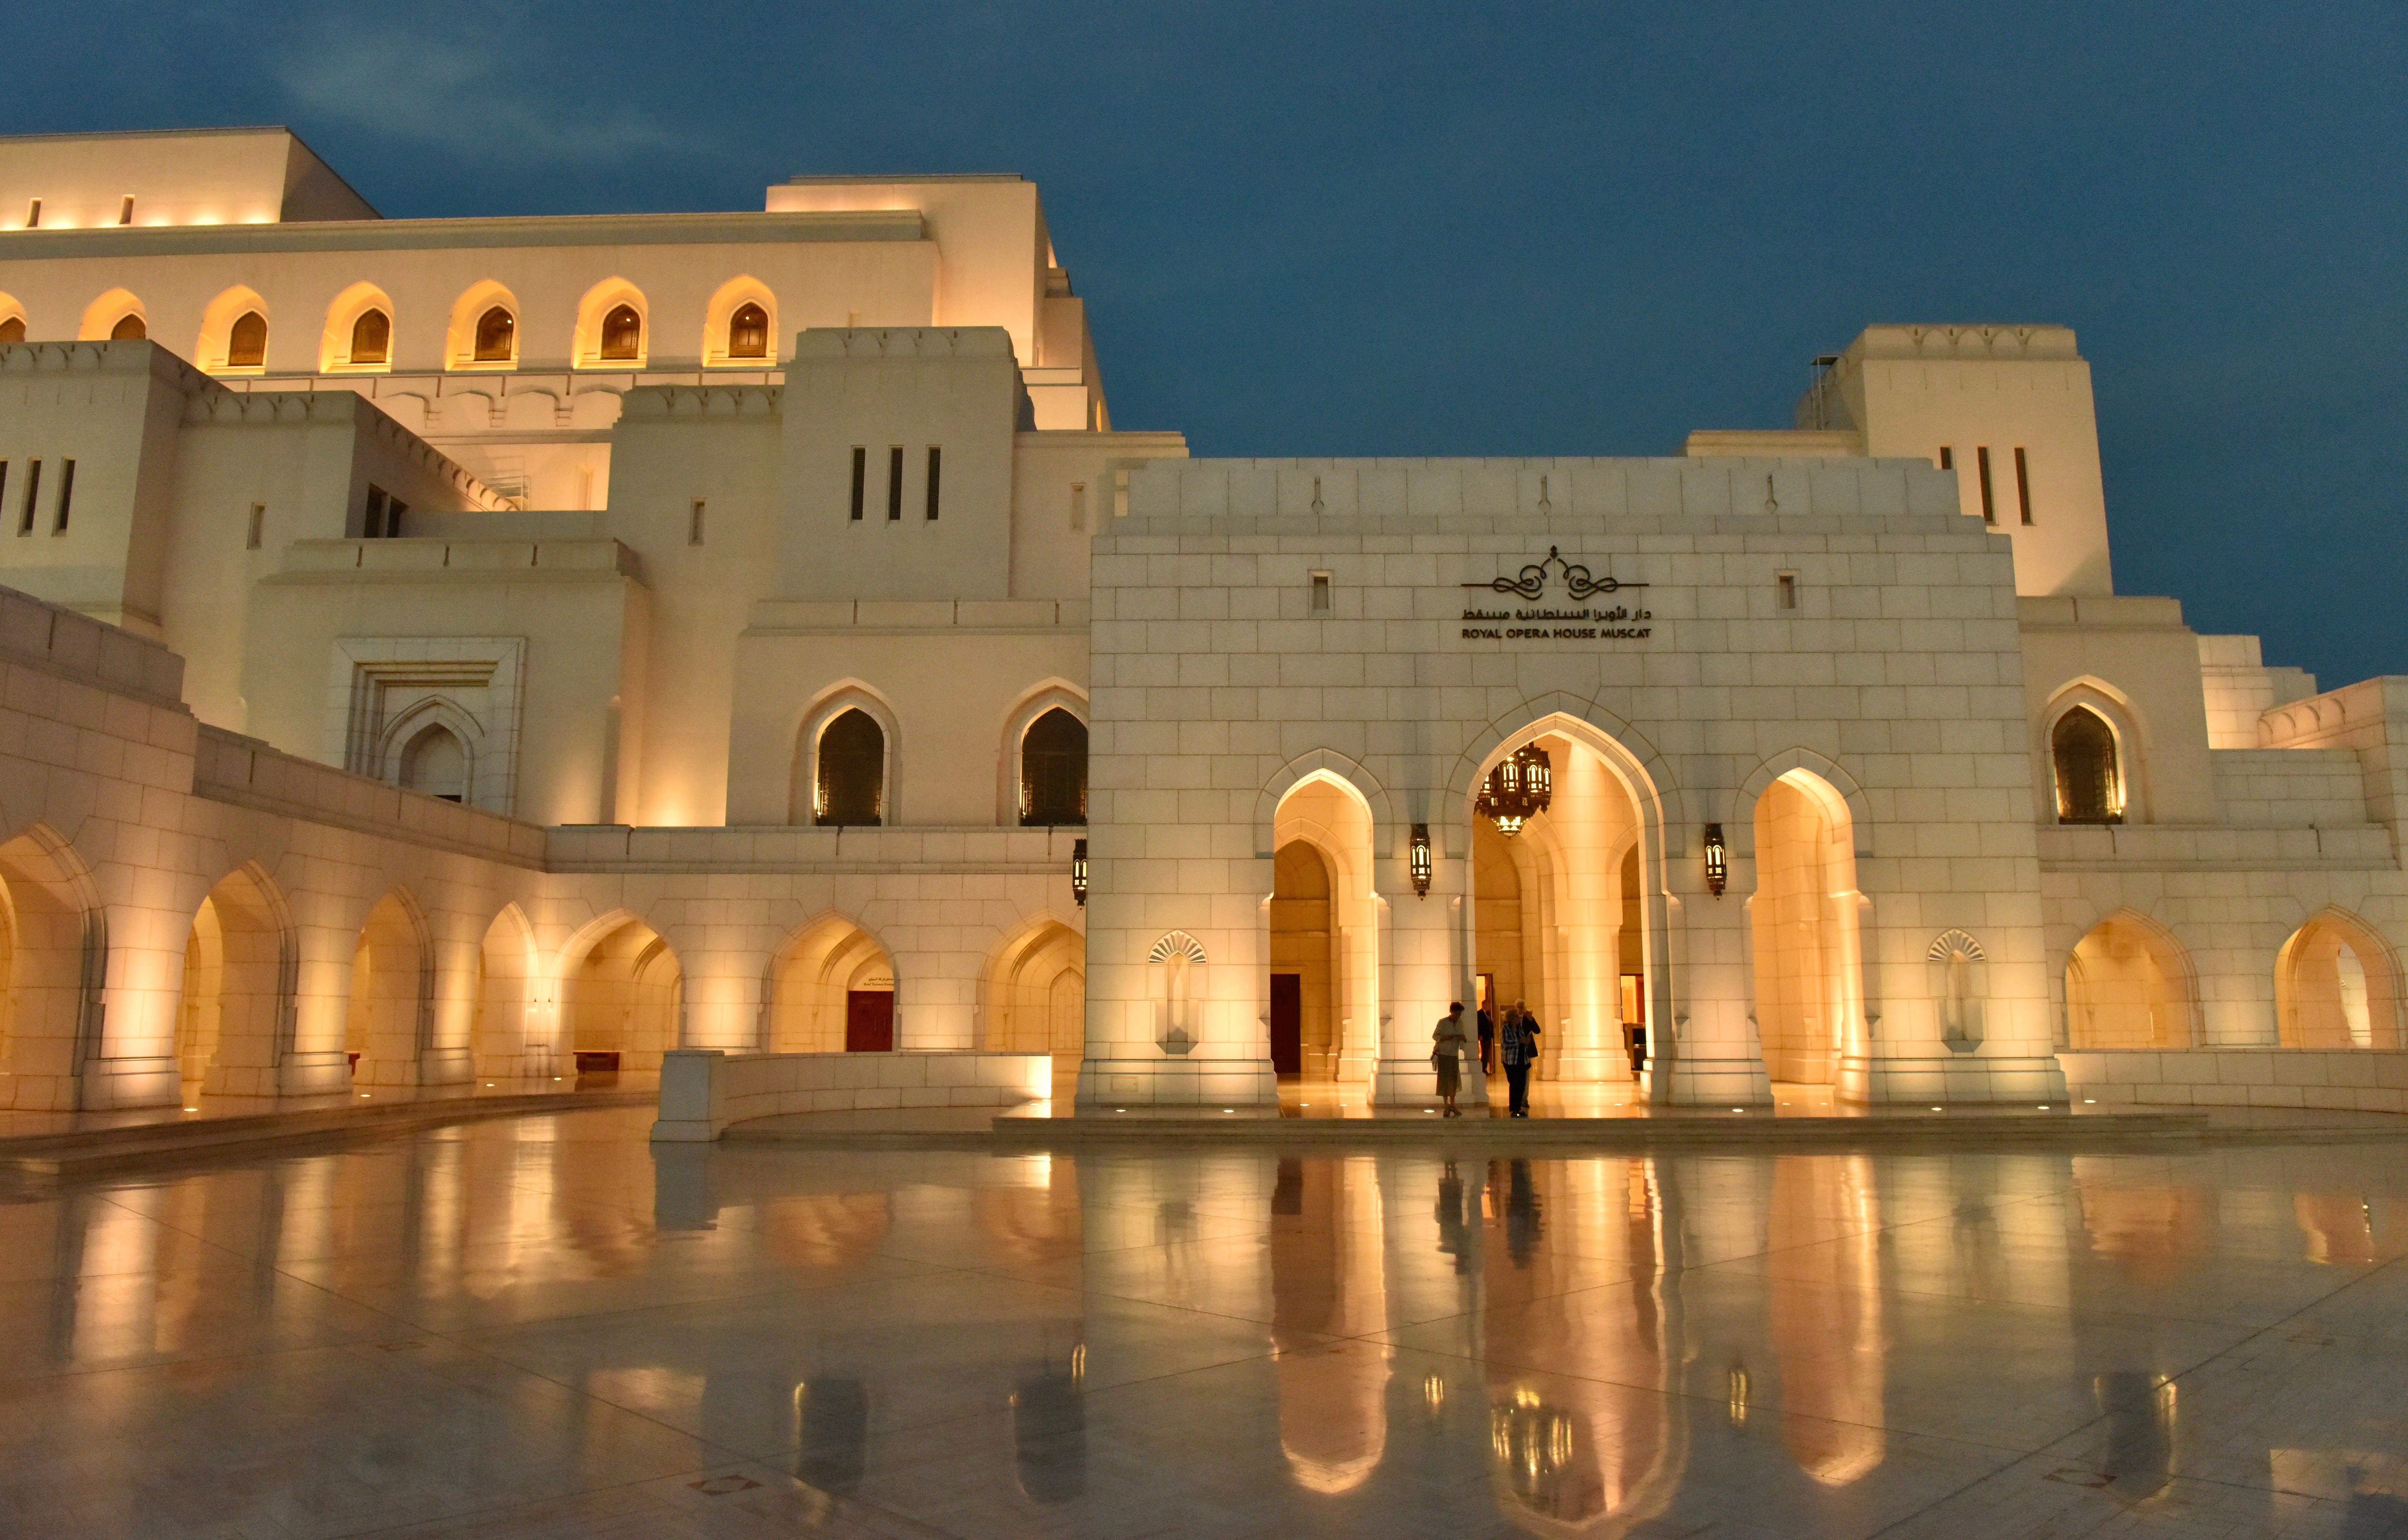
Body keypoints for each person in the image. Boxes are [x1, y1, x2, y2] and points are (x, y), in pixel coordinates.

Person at [1500, 999, 1541, 1117]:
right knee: (1514, 1084)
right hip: (1511, 1061)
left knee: (1522, 1084)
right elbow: (1506, 1042)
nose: (1519, 1018)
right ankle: (1514, 1109)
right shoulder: (1506, 1028)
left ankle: (1519, 1107)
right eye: (1517, 1017)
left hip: (1522, 1060)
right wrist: (1520, 1041)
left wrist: (1526, 1041)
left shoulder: (1520, 1028)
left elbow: (1530, 1035)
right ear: (1512, 1018)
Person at [1432, 1002, 1469, 1117]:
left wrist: (1463, 1039)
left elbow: (1463, 1038)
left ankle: (1452, 1105)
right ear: (1452, 1012)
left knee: (1454, 1080)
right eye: (1457, 1014)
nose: (1458, 1017)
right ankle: (1446, 1106)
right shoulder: (1443, 1023)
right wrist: (1446, 1038)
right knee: (1444, 1081)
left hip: (1454, 1055)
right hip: (1444, 1055)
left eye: (1460, 1015)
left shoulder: (1460, 1023)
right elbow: (1435, 1036)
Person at [1477, 1002, 1496, 1075]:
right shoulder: (1480, 1014)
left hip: (1489, 1036)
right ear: (1484, 1005)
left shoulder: (1488, 1014)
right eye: (1488, 1005)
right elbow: (1479, 1025)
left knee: (1487, 1053)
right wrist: (1480, 1035)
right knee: (1485, 1053)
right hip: (1484, 1037)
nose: (1489, 1006)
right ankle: (1483, 1069)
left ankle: (1484, 1068)